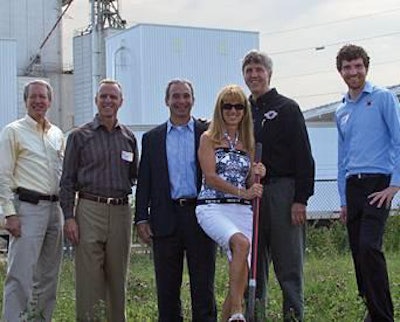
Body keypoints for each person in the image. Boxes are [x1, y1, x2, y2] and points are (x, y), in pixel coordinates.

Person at [241, 50, 315, 321]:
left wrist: (301, 199)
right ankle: (255, 315)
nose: (254, 75)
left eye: (258, 69)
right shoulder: (241, 110)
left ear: (269, 73)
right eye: (248, 70)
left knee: (288, 265)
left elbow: (304, 157)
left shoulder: (287, 108)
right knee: (253, 266)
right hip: (251, 195)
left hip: (283, 193)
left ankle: (293, 316)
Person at [135, 79, 217, 322]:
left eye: (185, 96)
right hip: (165, 218)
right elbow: (144, 180)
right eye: (176, 96)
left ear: (193, 100)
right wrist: (141, 217)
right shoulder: (152, 138)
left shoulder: (208, 133)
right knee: (167, 289)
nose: (181, 101)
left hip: (200, 216)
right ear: (166, 101)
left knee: (203, 285)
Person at [60, 79, 138, 321]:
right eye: (103, 96)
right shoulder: (79, 136)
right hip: (89, 210)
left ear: (121, 102)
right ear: (96, 100)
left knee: (117, 279)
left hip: (121, 211)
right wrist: (70, 217)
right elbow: (67, 180)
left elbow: (134, 175)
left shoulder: (128, 138)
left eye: (113, 97)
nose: (108, 101)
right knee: (89, 281)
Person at [335, 44, 399, 322]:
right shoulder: (341, 110)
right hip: (353, 185)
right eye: (347, 67)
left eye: (358, 66)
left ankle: (383, 316)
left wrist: (394, 185)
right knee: (358, 252)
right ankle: (372, 308)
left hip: (378, 183)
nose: (353, 72)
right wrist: (344, 201)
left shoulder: (383, 98)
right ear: (340, 71)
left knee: (369, 247)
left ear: (366, 67)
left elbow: (399, 140)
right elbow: (342, 158)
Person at [195, 84, 265, 322]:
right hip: (213, 206)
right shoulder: (208, 138)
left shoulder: (249, 142)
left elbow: (247, 180)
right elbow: (211, 177)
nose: (233, 111)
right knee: (241, 243)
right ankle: (238, 310)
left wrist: (256, 175)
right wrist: (242, 192)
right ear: (220, 109)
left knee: (240, 277)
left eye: (239, 106)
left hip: (242, 211)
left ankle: (230, 315)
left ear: (244, 111)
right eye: (228, 106)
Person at [0, 79, 64, 321]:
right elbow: (3, 175)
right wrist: (10, 213)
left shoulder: (57, 134)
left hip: (54, 209)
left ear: (50, 101)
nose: (38, 101)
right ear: (25, 101)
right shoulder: (13, 131)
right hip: (28, 208)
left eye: (43, 97)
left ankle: (40, 318)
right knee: (20, 273)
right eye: (33, 97)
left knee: (48, 275)